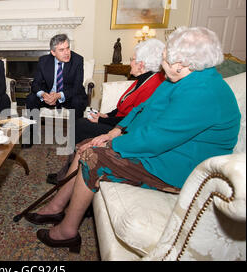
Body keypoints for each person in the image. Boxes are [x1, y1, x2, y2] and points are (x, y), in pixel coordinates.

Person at [25, 27, 241, 253]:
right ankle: (57, 206)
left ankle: (68, 231)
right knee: (84, 146)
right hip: (163, 150)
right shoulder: (179, 79)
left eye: (165, 59)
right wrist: (113, 132)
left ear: (182, 63)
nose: (160, 65)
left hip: (178, 167)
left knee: (92, 155)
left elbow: (155, 139)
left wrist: (109, 144)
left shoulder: (204, 93)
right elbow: (143, 108)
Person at [47, 39, 166, 185]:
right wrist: (106, 115)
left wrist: (102, 120)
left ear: (142, 64)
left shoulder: (153, 85)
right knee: (81, 124)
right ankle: (71, 169)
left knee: (80, 125)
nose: (130, 62)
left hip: (124, 130)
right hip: (116, 122)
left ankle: (70, 172)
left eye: (132, 59)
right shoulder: (141, 79)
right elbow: (122, 106)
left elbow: (134, 118)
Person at [24, 34, 88, 147]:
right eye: (62, 50)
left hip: (68, 95)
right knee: (31, 98)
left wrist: (58, 95)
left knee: (78, 101)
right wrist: (44, 95)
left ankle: (76, 139)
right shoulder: (43, 61)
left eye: (68, 48)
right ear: (53, 52)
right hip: (48, 95)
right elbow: (36, 84)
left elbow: (77, 87)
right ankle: (31, 136)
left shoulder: (78, 60)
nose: (67, 52)